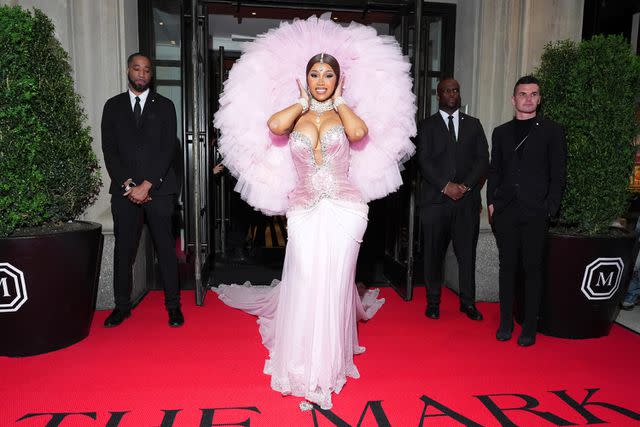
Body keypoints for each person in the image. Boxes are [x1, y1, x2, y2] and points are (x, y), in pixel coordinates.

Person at [212, 16, 416, 410]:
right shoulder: (297, 115)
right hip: (304, 208)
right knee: (307, 281)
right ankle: (303, 362)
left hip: (346, 208)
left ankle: (329, 366)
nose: (321, 80)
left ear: (338, 80)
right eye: (315, 74)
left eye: (328, 75)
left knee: (336, 283)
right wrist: (303, 102)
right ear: (305, 79)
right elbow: (273, 125)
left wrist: (339, 100)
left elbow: (358, 135)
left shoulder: (344, 115)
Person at [101, 52, 183, 328]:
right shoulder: (112, 106)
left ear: (151, 75)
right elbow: (109, 150)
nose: (142, 74)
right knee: (123, 251)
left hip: (159, 190)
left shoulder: (166, 106)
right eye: (137, 69)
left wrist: (148, 183)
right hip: (125, 191)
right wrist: (128, 183)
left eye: (147, 70)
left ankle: (173, 307)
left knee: (166, 250)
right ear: (128, 70)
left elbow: (168, 149)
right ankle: (121, 307)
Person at [487, 75, 567, 346]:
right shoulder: (501, 132)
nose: (529, 98)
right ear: (514, 99)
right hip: (506, 210)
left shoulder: (552, 131)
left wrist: (550, 208)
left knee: (533, 269)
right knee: (507, 268)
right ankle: (506, 323)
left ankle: (530, 326)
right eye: (523, 94)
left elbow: (558, 174)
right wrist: (491, 203)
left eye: (534, 94)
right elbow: (494, 170)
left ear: (540, 99)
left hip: (536, 212)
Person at [416, 78, 489, 321]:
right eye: (447, 91)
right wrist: (445, 186)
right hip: (436, 203)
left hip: (466, 203)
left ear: (459, 94)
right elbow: (423, 162)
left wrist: (466, 186)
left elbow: (482, 160)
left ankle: (468, 303)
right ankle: (433, 302)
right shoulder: (426, 126)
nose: (452, 94)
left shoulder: (474, 124)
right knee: (433, 254)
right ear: (439, 95)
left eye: (456, 90)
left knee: (467, 255)